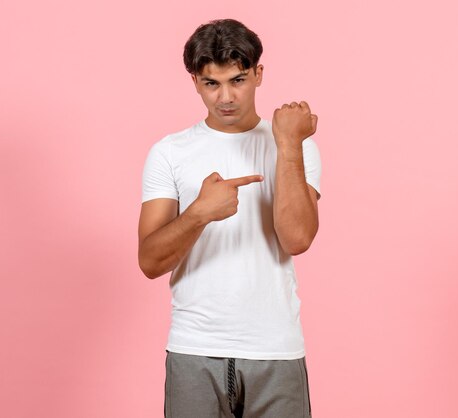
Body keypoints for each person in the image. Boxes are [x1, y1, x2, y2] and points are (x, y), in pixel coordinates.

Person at [138, 18, 321, 418]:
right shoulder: (170, 152)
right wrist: (199, 214)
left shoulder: (294, 145)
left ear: (258, 74)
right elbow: (150, 262)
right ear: (195, 82)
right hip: (194, 348)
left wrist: (288, 145)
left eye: (237, 80)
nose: (226, 97)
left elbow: (297, 240)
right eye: (211, 84)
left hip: (275, 348)